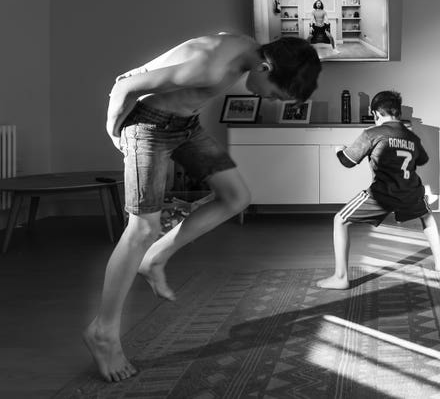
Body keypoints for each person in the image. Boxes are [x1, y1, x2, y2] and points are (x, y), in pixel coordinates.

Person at [83, 33, 321, 382]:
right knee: (142, 228)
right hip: (147, 126)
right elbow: (126, 87)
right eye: (273, 93)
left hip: (184, 126)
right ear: (265, 67)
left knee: (236, 198)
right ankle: (103, 331)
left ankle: (156, 257)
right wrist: (115, 131)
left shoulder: (247, 50)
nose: (268, 99)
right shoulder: (212, 69)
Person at [317, 91, 440, 290]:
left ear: (376, 113)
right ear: (397, 112)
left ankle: (341, 277)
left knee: (340, 220)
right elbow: (423, 160)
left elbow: (347, 162)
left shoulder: (372, 133)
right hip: (410, 192)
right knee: (426, 215)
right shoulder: (411, 136)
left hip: (382, 195)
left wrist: (338, 150)